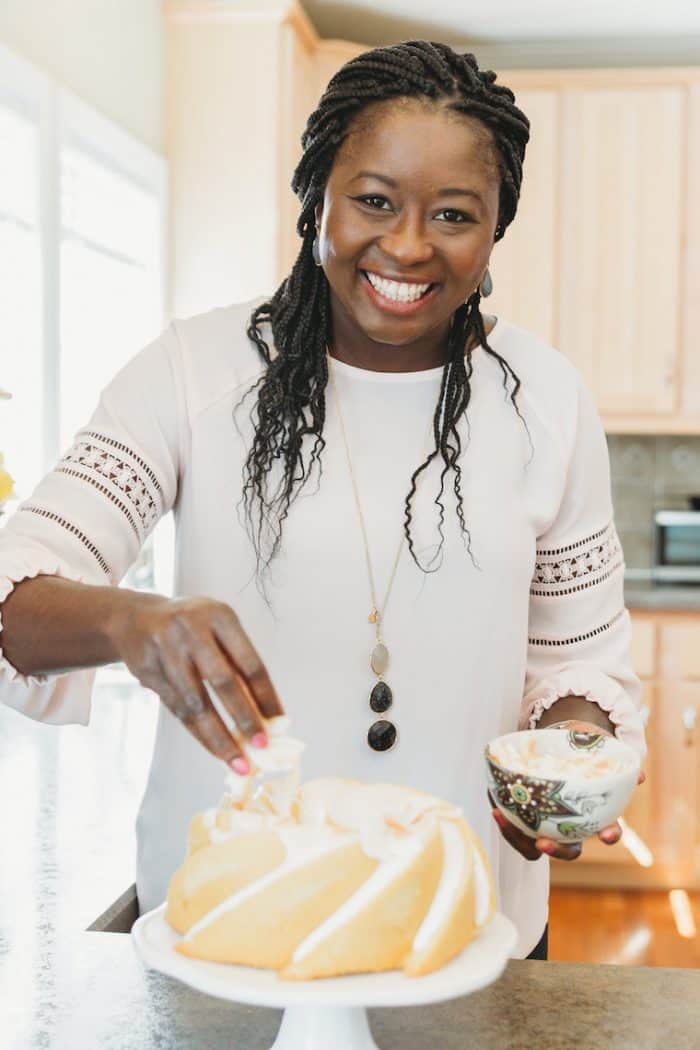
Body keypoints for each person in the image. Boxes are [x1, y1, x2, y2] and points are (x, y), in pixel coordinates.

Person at [0, 41, 646, 961]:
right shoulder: (192, 371)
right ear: (317, 200)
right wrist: (134, 624)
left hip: (464, 930)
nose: (409, 244)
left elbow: (579, 669)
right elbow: (13, 598)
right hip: (225, 928)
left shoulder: (546, 400)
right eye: (373, 199)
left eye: (454, 214)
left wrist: (570, 766)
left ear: (496, 230)